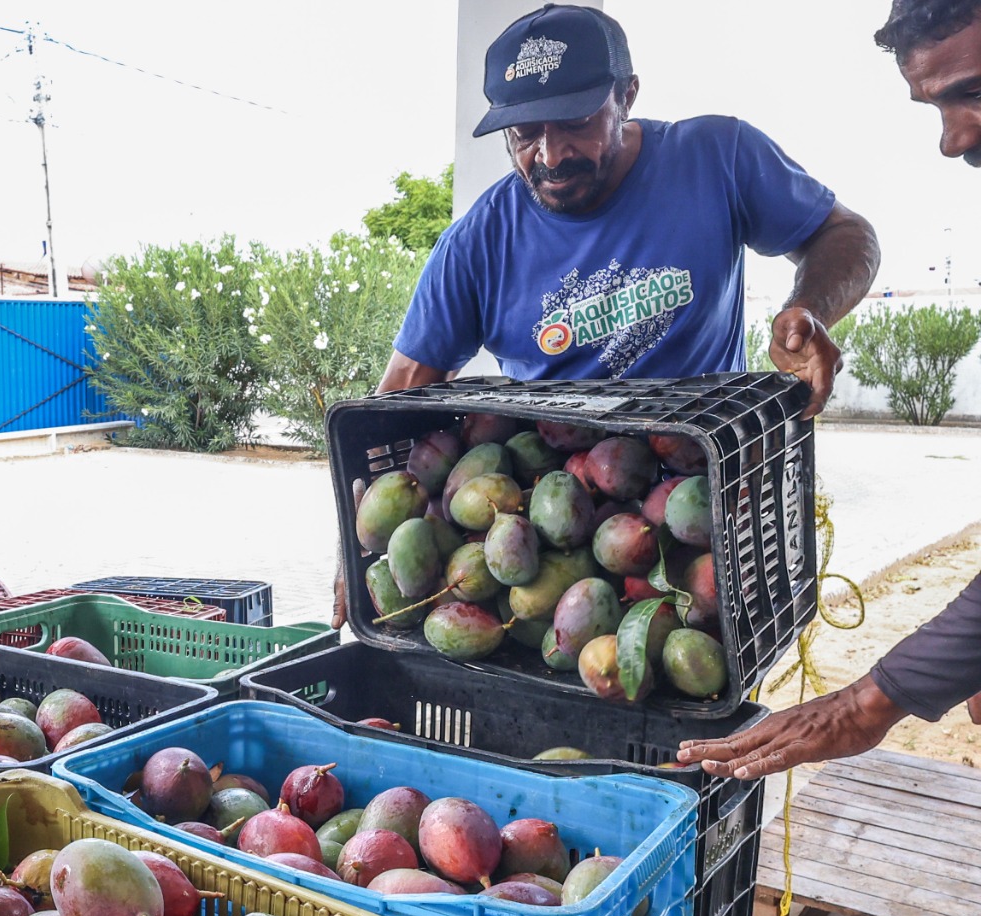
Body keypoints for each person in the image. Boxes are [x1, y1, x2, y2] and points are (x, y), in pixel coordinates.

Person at [332, 3, 881, 628]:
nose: (550, 153)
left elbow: (846, 234)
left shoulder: (715, 157)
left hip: (693, 505)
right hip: (549, 519)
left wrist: (809, 309)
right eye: (524, 133)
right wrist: (358, 540)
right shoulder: (479, 240)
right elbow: (403, 389)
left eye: (575, 123)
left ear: (628, 95)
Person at [681, 0, 981, 780]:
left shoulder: (716, 154)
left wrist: (868, 703)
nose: (954, 139)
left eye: (972, 91)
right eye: (937, 106)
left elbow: (844, 234)